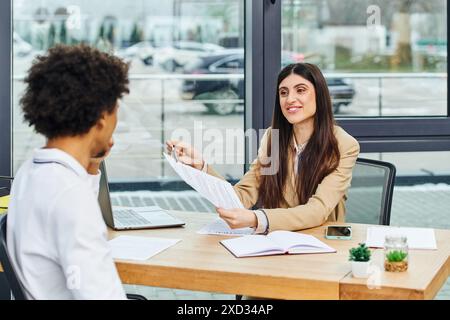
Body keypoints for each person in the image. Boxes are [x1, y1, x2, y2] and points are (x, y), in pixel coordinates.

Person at [167, 63, 360, 234]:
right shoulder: (272, 138)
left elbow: (317, 211)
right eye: (283, 92)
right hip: (277, 241)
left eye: (300, 90)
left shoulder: (344, 145)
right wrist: (202, 167)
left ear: (319, 95)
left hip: (322, 243)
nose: (290, 99)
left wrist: (256, 219)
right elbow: (241, 196)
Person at [7, 45, 130, 299]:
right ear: (101, 118)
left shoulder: (30, 173)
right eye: (116, 106)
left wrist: (92, 164)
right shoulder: (70, 196)